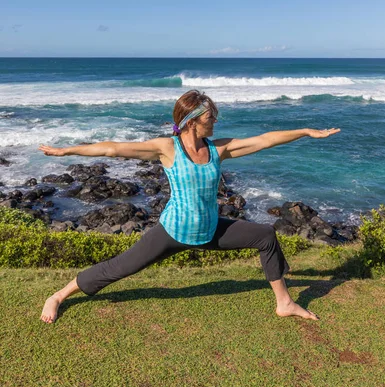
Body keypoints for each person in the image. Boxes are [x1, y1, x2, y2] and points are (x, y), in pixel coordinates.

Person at [39, 89, 340, 324]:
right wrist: (67, 150)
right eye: (211, 118)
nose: (216, 121)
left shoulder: (218, 148)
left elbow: (264, 140)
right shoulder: (167, 148)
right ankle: (59, 295)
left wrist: (305, 131)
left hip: (210, 230)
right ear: (193, 120)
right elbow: (112, 147)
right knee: (118, 268)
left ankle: (284, 303)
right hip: (173, 231)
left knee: (265, 236)